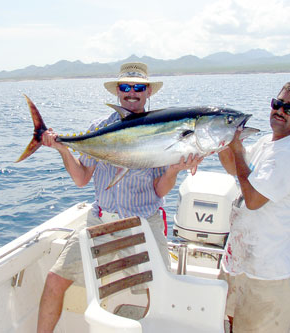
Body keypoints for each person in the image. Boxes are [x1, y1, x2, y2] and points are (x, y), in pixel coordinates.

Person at [37, 62, 203, 332]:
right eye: (126, 87)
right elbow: (81, 179)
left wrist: (173, 169)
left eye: (139, 87)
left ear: (148, 92)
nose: (132, 93)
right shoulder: (99, 127)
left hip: (141, 223)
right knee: (56, 279)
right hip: (99, 221)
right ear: (118, 92)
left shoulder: (163, 128)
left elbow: (160, 190)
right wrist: (62, 149)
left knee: (160, 290)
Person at [218, 82, 290, 333]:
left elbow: (252, 200)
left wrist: (237, 149)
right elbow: (235, 169)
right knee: (228, 323)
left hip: (265, 275)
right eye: (278, 103)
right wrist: (223, 143)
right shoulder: (266, 143)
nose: (280, 111)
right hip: (239, 263)